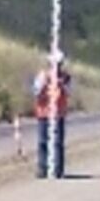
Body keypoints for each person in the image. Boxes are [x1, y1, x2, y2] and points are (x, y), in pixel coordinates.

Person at [33, 51, 71, 179]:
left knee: (58, 143)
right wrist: (43, 83)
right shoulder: (43, 76)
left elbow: (69, 91)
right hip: (44, 114)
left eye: (58, 64)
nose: (56, 67)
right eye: (54, 64)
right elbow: (36, 91)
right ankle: (43, 168)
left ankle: (58, 169)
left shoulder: (66, 78)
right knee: (43, 142)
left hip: (58, 114)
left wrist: (62, 84)